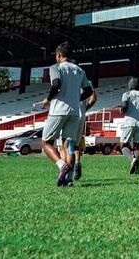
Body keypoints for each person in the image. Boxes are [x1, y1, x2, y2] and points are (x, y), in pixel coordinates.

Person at [40, 42, 94, 187]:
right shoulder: (79, 70)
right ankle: (68, 179)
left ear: (58, 55)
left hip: (58, 110)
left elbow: (56, 84)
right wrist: (77, 99)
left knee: (46, 143)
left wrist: (48, 99)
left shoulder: (56, 67)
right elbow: (88, 91)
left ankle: (61, 165)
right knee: (69, 144)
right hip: (75, 111)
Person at [120, 77, 139, 175]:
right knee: (137, 146)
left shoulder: (126, 94)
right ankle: (137, 170)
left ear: (131, 85)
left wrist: (122, 110)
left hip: (129, 121)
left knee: (123, 145)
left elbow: (124, 105)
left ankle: (132, 160)